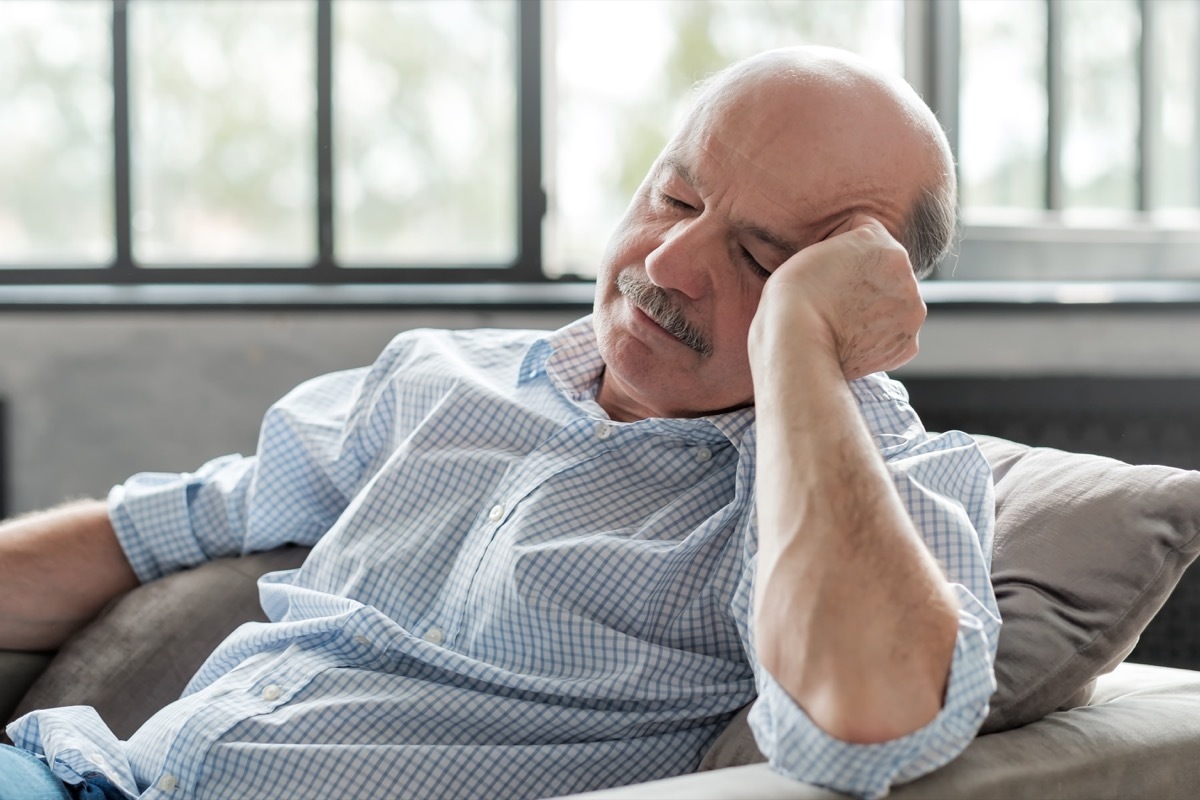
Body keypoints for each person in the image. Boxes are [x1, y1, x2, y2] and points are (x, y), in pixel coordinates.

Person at [0, 46, 997, 800]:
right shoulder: (442, 375)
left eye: (762, 259)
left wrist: (801, 349)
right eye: (676, 194)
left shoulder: (879, 477)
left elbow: (869, 715)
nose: (670, 262)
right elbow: (159, 526)